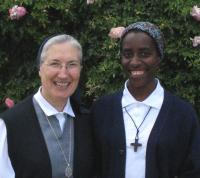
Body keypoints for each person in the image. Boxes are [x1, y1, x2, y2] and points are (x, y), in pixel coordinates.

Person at [91, 22, 200, 178]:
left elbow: (194, 170)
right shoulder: (101, 110)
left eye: (144, 53)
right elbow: (92, 165)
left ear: (159, 57)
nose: (134, 62)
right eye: (127, 54)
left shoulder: (183, 114)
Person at [0, 34, 95, 178]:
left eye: (72, 64)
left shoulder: (88, 121)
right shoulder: (10, 124)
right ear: (40, 68)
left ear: (80, 70)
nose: (63, 74)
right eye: (55, 64)